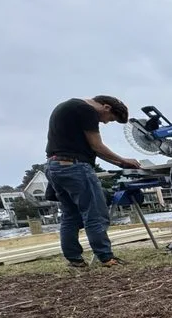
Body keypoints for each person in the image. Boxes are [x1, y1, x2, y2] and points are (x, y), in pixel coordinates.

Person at [44, 96, 142, 268]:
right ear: (106, 107)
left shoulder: (66, 106)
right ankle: (106, 257)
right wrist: (123, 161)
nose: (105, 123)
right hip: (74, 167)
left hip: (54, 166)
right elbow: (97, 146)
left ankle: (74, 259)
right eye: (109, 119)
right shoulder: (87, 110)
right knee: (95, 213)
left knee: (70, 215)